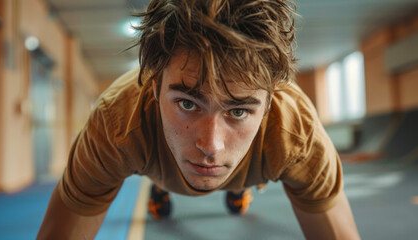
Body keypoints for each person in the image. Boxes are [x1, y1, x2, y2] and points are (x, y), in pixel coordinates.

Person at [37, 0, 360, 239]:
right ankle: (163, 186)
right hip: (162, 167)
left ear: (270, 101)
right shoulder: (115, 125)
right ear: (153, 85)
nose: (211, 144)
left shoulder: (296, 135)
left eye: (238, 111)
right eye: (188, 104)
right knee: (170, 175)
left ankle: (236, 185)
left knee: (230, 173)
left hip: (248, 167)